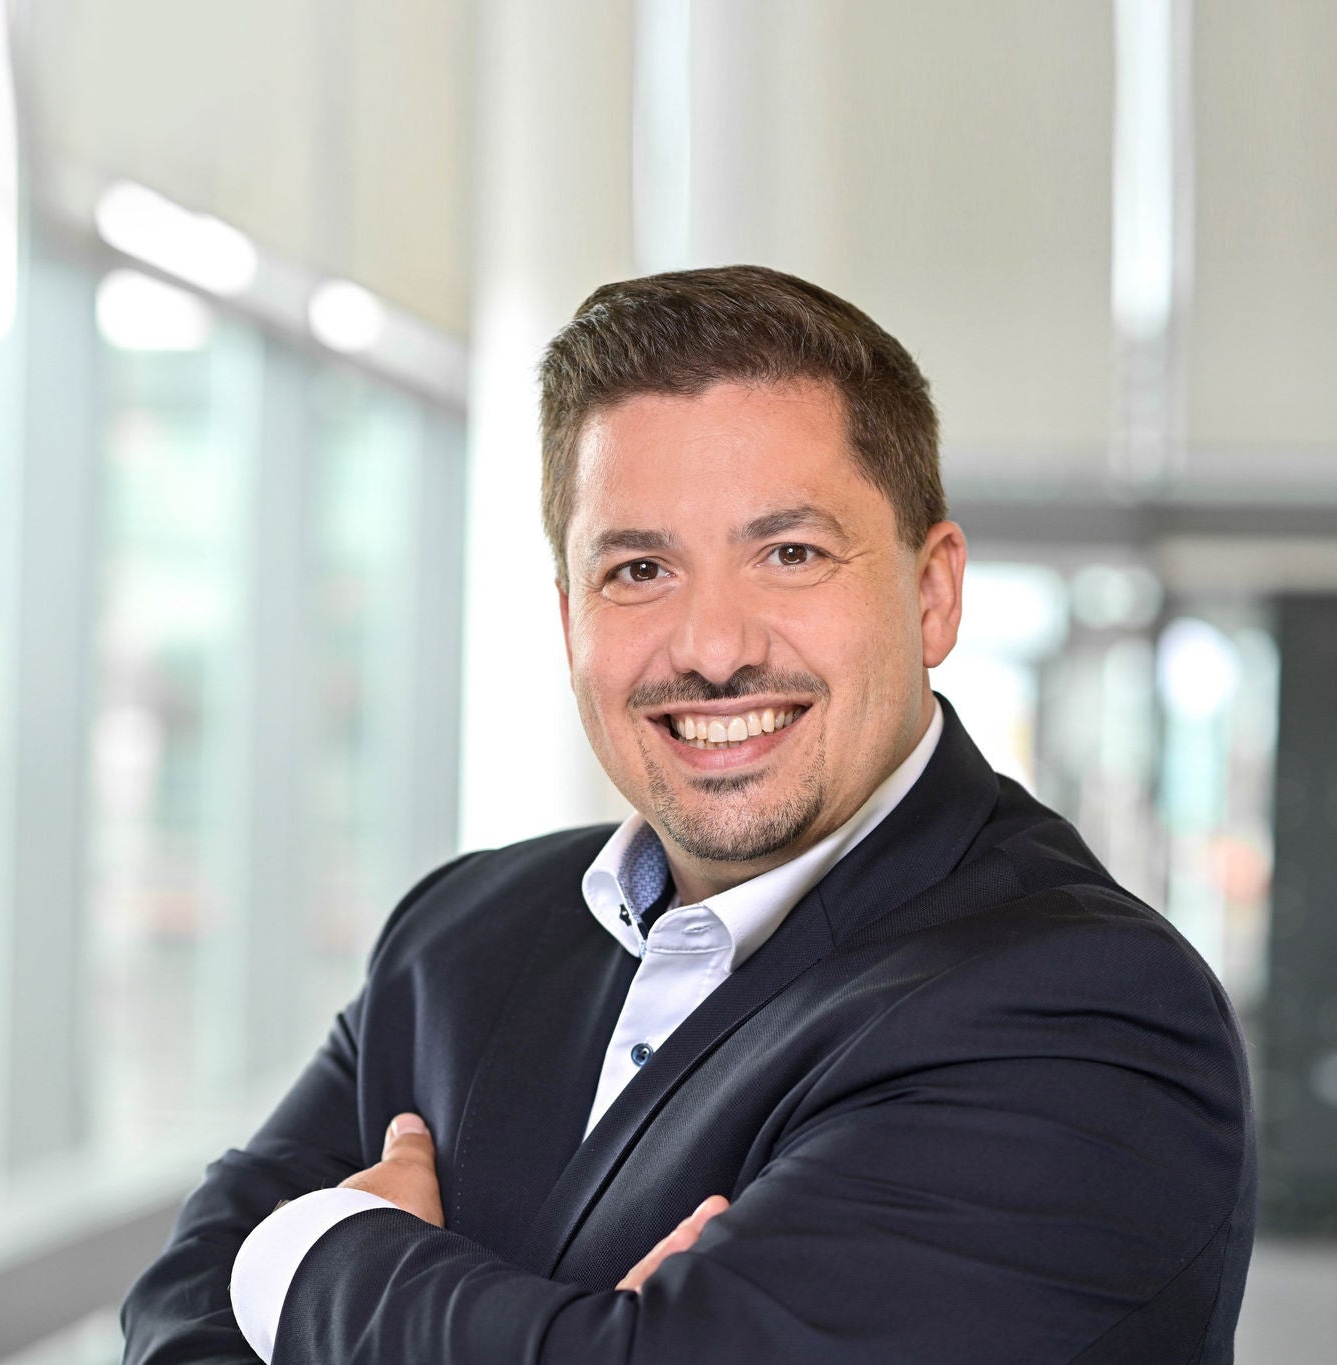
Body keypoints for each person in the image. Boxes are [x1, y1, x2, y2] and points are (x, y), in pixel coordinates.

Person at [120, 265, 1255, 1364]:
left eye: (790, 553)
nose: (713, 648)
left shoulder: (1080, 1007)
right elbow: (177, 1310)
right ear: (569, 619)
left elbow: (245, 1260)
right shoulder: (458, 935)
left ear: (931, 593)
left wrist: (316, 1255)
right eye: (638, 571)